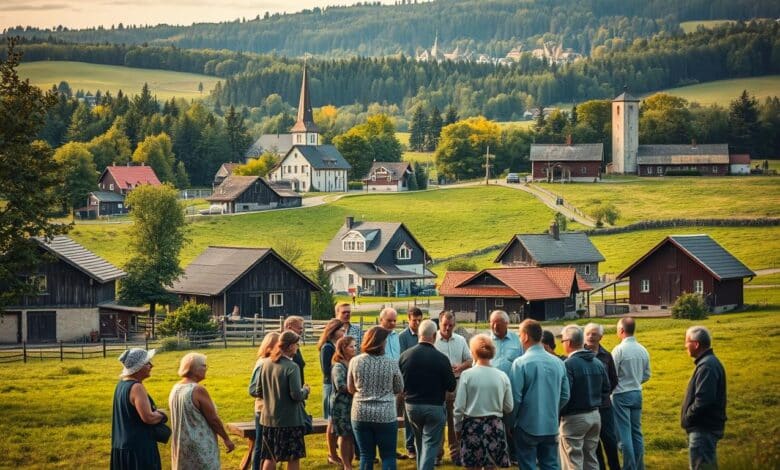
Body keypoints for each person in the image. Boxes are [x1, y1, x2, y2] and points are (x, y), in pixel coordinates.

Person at [510, 319, 569, 470]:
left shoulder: (520, 363)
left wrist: (511, 421)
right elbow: (565, 395)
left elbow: (515, 398)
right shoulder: (558, 363)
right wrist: (553, 409)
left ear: (525, 337)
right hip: (550, 423)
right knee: (551, 464)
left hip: (526, 424)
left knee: (528, 465)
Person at [400, 319, 457, 470]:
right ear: (434, 335)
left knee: (419, 444)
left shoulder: (405, 356)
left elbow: (399, 384)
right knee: (431, 445)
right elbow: (451, 386)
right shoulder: (442, 359)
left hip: (411, 406)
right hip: (434, 407)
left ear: (419, 334)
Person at [348, 326, 404, 470]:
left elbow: (350, 388)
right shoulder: (391, 363)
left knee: (366, 456)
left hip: (360, 413)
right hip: (385, 414)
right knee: (388, 456)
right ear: (381, 342)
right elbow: (399, 388)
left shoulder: (355, 361)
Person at [454, 334, 513, 469]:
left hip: (472, 428)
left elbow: (459, 408)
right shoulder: (502, 376)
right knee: (492, 466)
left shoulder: (467, 375)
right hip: (495, 426)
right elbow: (509, 406)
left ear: (473, 352)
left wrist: (457, 428)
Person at [169, 353, 235, 470]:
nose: (206, 368)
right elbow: (213, 420)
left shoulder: (176, 388)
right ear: (193, 369)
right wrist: (226, 439)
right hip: (200, 445)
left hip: (182, 445)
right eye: (204, 366)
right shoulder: (197, 390)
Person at [559, 325, 610, 470]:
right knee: (591, 459)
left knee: (573, 461)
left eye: (562, 341)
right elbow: (606, 388)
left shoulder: (568, 364)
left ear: (568, 342)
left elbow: (565, 393)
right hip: (595, 415)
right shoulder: (597, 362)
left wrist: (560, 412)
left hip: (574, 418)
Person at [258, 331, 311, 470]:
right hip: (289, 420)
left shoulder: (266, 363)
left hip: (268, 419)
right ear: (290, 346)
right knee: (293, 457)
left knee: (270, 456)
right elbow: (296, 395)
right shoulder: (292, 367)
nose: (298, 347)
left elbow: (258, 391)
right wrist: (305, 391)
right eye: (296, 344)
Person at [111, 348, 166, 470]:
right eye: (147, 363)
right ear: (138, 367)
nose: (151, 365)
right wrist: (162, 415)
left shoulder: (120, 385)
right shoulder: (137, 387)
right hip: (138, 449)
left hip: (122, 447)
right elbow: (149, 418)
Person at [681, 326, 726, 470]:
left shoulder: (707, 366)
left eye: (687, 342)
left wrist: (688, 418)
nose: (685, 346)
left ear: (696, 344)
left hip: (702, 429)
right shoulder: (707, 363)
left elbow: (703, 400)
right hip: (703, 429)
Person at [611, 317, 651, 470]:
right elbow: (647, 374)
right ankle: (639, 466)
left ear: (621, 330)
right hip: (637, 393)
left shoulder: (619, 350)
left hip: (621, 394)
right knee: (636, 433)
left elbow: (611, 374)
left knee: (624, 433)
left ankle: (629, 467)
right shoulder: (643, 349)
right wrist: (635, 380)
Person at [434, 311, 473, 465]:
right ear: (439, 323)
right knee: (437, 422)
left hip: (456, 386)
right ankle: (437, 455)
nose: (448, 328)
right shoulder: (433, 339)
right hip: (437, 386)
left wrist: (460, 366)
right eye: (445, 325)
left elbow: (470, 360)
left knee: (455, 421)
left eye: (451, 325)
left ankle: (456, 454)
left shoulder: (461, 340)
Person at [584, 323, 620, 470]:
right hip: (588, 406)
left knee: (610, 440)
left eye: (594, 334)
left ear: (601, 337)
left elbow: (613, 379)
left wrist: (604, 394)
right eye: (588, 334)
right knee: (594, 443)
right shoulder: (580, 354)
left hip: (604, 406)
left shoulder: (606, 355)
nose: (591, 337)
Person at [489, 310, 522, 462]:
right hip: (491, 391)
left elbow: (523, 363)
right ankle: (495, 454)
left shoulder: (517, 340)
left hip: (511, 390)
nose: (495, 326)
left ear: (507, 324)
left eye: (498, 323)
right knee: (493, 423)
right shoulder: (486, 340)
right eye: (492, 323)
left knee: (511, 423)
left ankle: (513, 454)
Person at [249, 332, 280, 470]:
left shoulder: (272, 362)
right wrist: (271, 394)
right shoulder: (262, 363)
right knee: (261, 445)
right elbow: (253, 389)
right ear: (270, 346)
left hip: (271, 410)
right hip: (262, 410)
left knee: (267, 445)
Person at [319, 318, 347, 465]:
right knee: (331, 421)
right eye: (341, 330)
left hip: (336, 385)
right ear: (333, 331)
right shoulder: (327, 347)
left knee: (335, 421)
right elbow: (326, 369)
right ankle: (332, 454)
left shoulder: (335, 345)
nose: (344, 332)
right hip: (331, 386)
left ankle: (336, 452)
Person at [399, 307, 424, 459]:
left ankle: (420, 444)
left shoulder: (424, 334)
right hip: (409, 380)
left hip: (423, 379)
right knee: (408, 416)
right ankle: (410, 446)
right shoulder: (403, 337)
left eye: (420, 320)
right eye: (414, 320)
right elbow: (402, 359)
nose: (417, 323)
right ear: (409, 319)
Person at [332, 336, 359, 470]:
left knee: (351, 436)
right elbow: (340, 385)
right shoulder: (339, 365)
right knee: (344, 435)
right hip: (342, 405)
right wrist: (356, 389)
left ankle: (350, 462)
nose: (354, 348)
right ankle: (346, 465)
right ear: (343, 348)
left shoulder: (353, 361)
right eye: (351, 346)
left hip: (353, 404)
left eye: (355, 346)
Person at [283, 315, 306, 384]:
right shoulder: (284, 348)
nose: (301, 331)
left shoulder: (295, 346)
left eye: (302, 329)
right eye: (299, 328)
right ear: (289, 328)